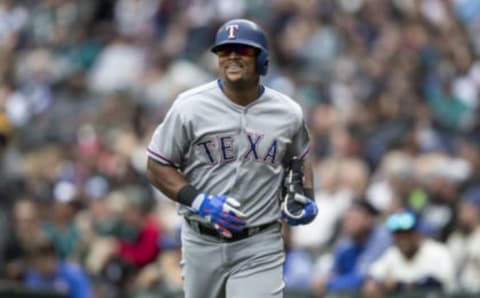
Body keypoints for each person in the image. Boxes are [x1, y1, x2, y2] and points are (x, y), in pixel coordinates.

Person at [146, 18, 318, 298]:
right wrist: (199, 201)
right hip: (201, 239)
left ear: (262, 60)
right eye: (225, 51)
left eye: (244, 50)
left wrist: (307, 196)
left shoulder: (287, 112)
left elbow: (300, 158)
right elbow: (156, 165)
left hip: (260, 242)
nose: (233, 57)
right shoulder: (189, 107)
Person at [363, 210, 455, 298]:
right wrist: (378, 284)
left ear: (418, 233)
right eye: (398, 234)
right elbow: (372, 275)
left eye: (407, 233)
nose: (403, 239)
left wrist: (401, 285)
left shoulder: (437, 251)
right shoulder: (392, 254)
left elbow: (440, 283)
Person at [312, 200, 391, 296]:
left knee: (370, 287)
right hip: (351, 287)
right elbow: (333, 271)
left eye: (354, 218)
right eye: (346, 219)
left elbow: (364, 275)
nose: (348, 223)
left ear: (369, 220)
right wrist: (326, 280)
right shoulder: (345, 243)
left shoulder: (381, 237)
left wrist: (330, 283)